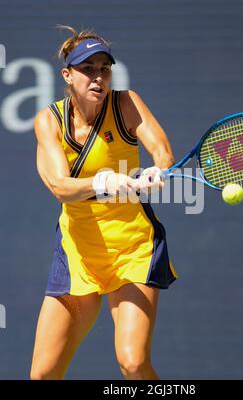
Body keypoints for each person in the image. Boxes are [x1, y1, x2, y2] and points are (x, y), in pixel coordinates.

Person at [30, 25, 177, 380]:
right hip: (78, 254)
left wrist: (158, 172)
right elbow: (59, 187)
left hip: (133, 250)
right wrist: (103, 181)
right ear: (67, 75)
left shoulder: (126, 102)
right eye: (87, 69)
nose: (98, 77)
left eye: (104, 68)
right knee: (42, 375)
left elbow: (162, 152)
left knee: (133, 363)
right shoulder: (49, 121)